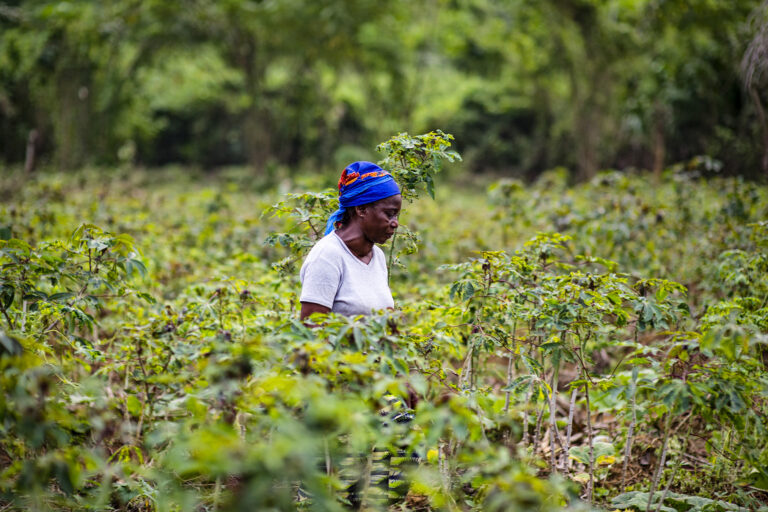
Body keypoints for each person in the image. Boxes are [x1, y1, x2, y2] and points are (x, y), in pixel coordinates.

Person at [299, 161, 402, 321]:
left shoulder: (378, 257)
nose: (395, 223)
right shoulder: (327, 256)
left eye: (396, 215)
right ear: (361, 209)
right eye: (389, 214)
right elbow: (311, 331)